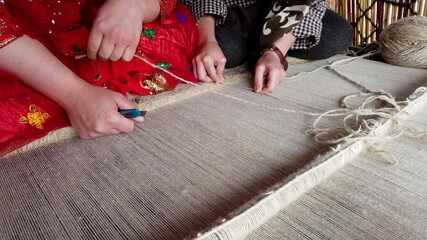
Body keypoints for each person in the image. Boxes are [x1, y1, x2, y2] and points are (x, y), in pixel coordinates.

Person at [0, 0, 199, 155]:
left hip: (96, 17)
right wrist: (74, 94)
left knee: (173, 37)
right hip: (17, 45)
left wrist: (133, 6)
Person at [183, 0, 353, 93]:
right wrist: (207, 41)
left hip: (280, 9)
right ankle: (255, 46)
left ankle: (263, 49)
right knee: (228, 50)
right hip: (230, 10)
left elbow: (308, 3)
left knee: (338, 33)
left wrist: (276, 52)